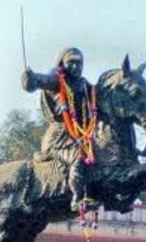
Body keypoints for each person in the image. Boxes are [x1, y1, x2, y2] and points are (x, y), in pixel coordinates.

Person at [22, 47, 97, 212]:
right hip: (58, 140)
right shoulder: (57, 79)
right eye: (71, 62)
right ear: (63, 63)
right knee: (79, 157)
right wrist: (31, 80)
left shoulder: (85, 86)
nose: (76, 67)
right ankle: (77, 199)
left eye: (79, 63)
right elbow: (42, 80)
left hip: (80, 136)